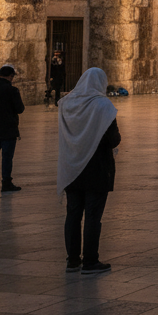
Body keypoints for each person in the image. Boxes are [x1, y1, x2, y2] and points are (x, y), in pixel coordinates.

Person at [58, 67, 120, 275]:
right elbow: (114, 140)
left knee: (73, 214)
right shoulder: (103, 105)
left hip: (72, 167)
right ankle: (90, 261)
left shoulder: (66, 103)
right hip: (96, 169)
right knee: (93, 215)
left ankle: (73, 260)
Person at [0, 65, 25, 192]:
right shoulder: (12, 90)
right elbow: (20, 109)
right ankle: (6, 182)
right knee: (7, 157)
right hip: (8, 129)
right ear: (11, 76)